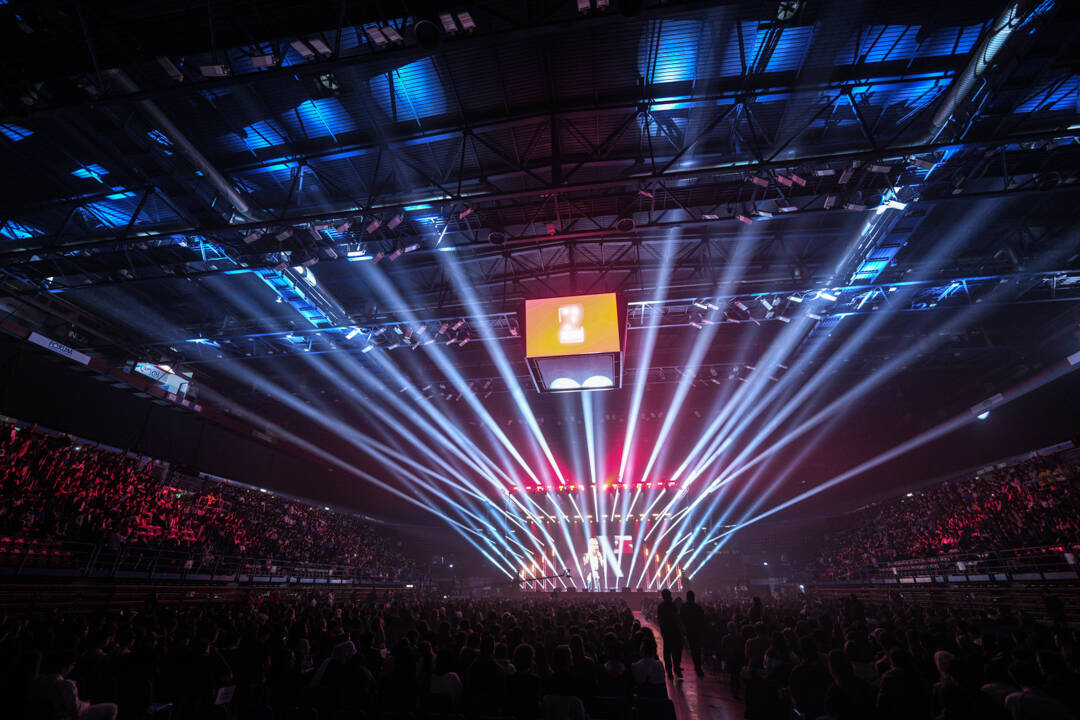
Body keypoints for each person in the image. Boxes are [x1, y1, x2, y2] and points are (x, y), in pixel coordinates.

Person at [655, 588, 683, 678]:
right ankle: (676, 667)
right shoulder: (672, 605)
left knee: (667, 651)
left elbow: (659, 619)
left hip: (666, 631)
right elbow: (677, 618)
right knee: (676, 650)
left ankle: (669, 671)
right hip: (674, 631)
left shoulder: (661, 606)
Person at [679, 590, 707, 676]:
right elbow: (702, 619)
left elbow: (681, 619)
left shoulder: (684, 607)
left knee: (693, 648)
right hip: (697, 631)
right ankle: (698, 666)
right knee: (696, 649)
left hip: (689, 630)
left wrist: (683, 630)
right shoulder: (697, 607)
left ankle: (697, 665)